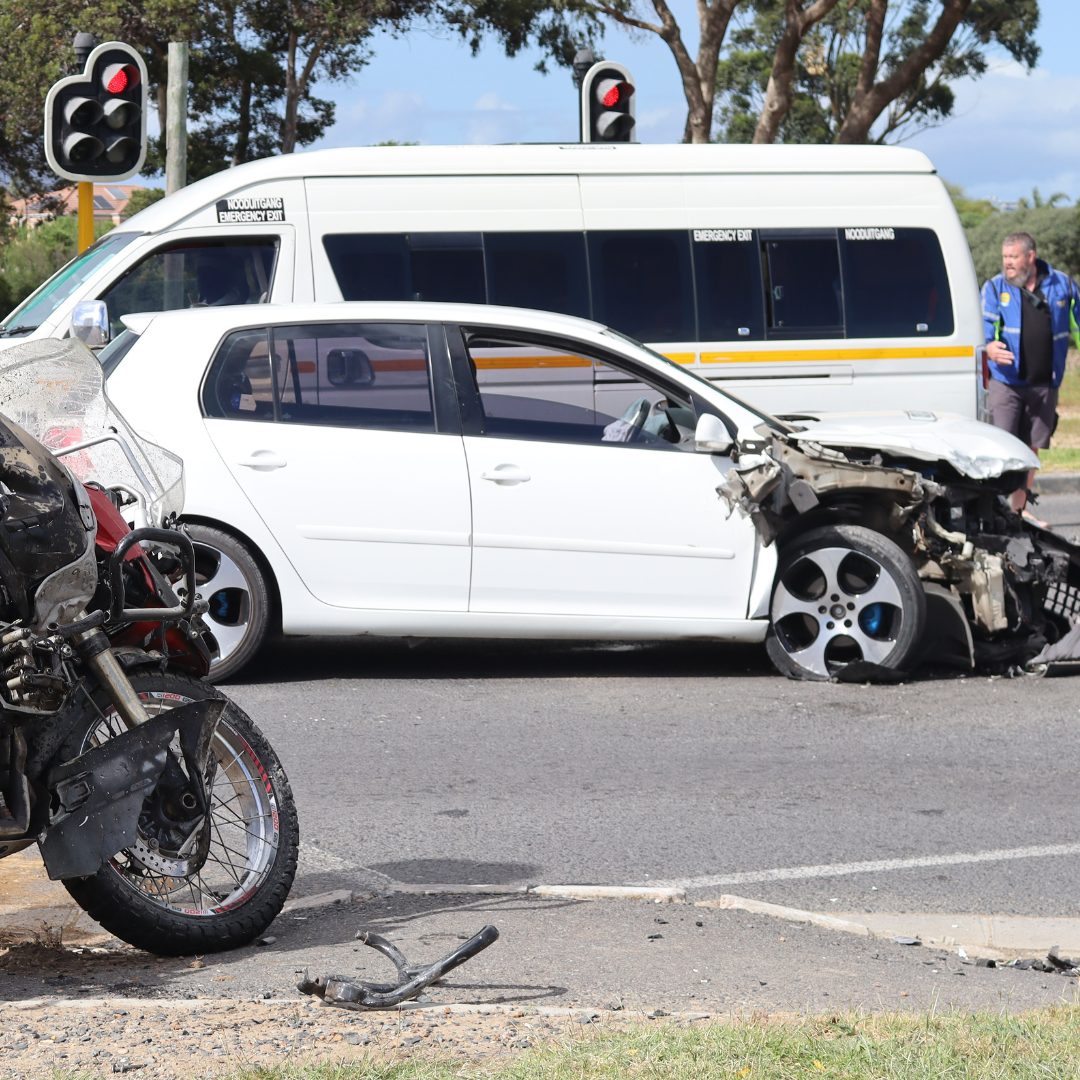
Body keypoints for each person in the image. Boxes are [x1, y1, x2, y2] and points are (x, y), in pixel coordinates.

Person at [981, 232, 1080, 521]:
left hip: (1044, 383)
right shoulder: (995, 286)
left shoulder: (1062, 284)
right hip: (1006, 382)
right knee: (1002, 446)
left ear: (1030, 257)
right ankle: (995, 511)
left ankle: (1018, 512)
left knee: (1030, 449)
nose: (1007, 263)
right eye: (1005, 257)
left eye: (1013, 257)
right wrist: (989, 347)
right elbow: (984, 323)